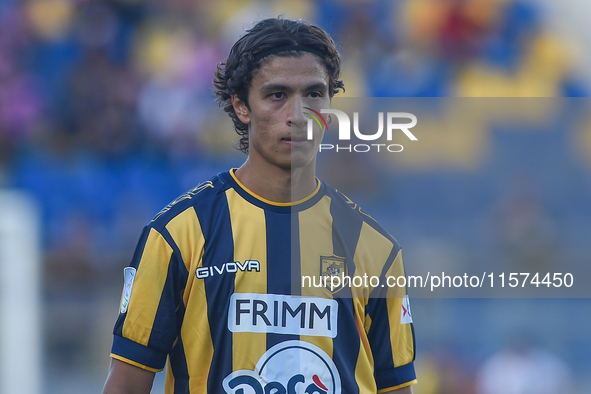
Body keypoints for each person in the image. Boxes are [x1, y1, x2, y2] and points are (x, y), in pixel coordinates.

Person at [102, 17, 416, 394]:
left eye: (314, 94)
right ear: (241, 106)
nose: (298, 115)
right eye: (277, 95)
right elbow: (126, 385)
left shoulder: (375, 248)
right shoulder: (178, 234)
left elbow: (396, 388)